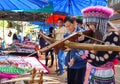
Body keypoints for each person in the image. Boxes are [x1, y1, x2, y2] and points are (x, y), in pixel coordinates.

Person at [81, 6, 120, 84]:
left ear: (100, 22)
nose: (90, 27)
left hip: (103, 75)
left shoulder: (112, 35)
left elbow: (101, 60)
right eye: (88, 25)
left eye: (92, 24)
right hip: (92, 72)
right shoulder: (96, 33)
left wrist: (83, 53)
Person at [64, 16, 87, 84]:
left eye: (69, 26)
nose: (68, 28)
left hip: (80, 63)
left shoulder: (83, 34)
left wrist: (75, 58)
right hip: (70, 63)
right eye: (66, 26)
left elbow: (85, 50)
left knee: (78, 82)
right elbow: (65, 48)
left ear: (74, 23)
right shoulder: (66, 35)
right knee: (70, 81)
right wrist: (66, 49)